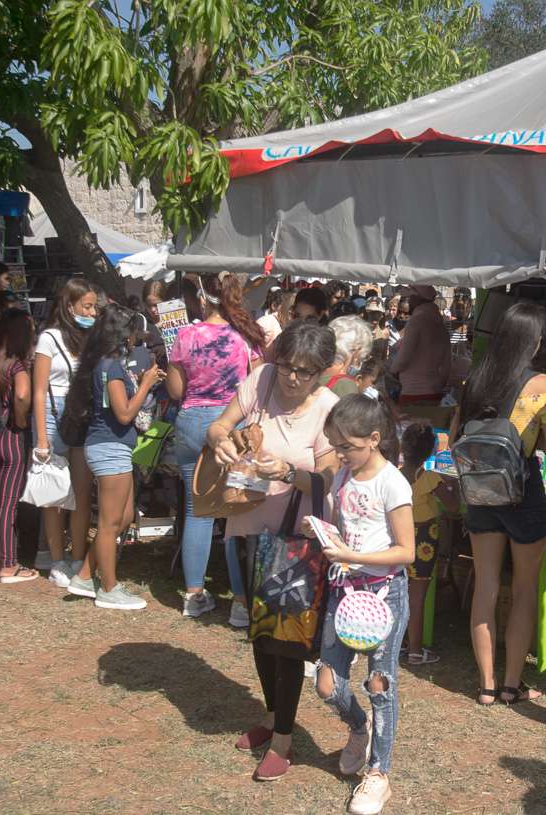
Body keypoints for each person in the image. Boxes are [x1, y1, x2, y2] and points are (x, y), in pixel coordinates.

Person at [208, 319, 340, 778]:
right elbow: (218, 425)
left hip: (296, 540)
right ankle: (270, 715)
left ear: (323, 371)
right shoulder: (260, 379)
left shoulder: (328, 409)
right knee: (261, 637)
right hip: (248, 524)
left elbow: (329, 479)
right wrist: (224, 442)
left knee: (287, 644)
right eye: (286, 366)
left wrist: (286, 472)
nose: (291, 377)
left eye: (304, 371)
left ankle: (284, 738)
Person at [452, 302, 546, 706]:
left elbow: (455, 434)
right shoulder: (542, 385)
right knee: (525, 587)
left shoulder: (475, 381)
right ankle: (512, 684)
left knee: (486, 586)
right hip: (523, 490)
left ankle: (485, 684)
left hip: (480, 491)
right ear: (533, 343)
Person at [315, 394, 415, 815]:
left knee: (380, 684)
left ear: (374, 439)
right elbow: (345, 528)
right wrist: (327, 534)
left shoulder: (393, 483)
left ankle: (379, 775)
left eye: (347, 446)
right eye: (336, 446)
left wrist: (354, 558)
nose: (340, 454)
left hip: (383, 594)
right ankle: (358, 727)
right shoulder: (342, 476)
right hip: (344, 591)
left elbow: (406, 551)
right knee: (326, 682)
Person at [165, 272, 265, 620]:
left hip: (192, 422)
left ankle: (194, 594)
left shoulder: (186, 335)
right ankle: (240, 602)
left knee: (198, 511)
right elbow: (258, 387)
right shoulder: (246, 336)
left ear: (203, 298)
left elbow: (176, 392)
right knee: (235, 511)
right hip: (232, 422)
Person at [61, 306, 164, 610]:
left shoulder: (105, 363)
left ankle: (83, 576)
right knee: (109, 523)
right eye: (133, 331)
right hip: (109, 446)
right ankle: (109, 588)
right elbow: (123, 413)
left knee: (125, 517)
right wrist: (146, 383)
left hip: (114, 446)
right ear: (122, 334)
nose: (136, 338)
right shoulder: (111, 367)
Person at [32, 278, 98, 587]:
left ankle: (77, 557)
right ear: (69, 306)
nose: (92, 311)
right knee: (54, 494)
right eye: (86, 306)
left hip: (82, 414)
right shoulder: (48, 338)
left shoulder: (90, 338)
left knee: (83, 492)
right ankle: (56, 560)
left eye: (94, 306)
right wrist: (42, 439)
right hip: (53, 414)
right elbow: (39, 389)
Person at [0, 309, 37, 584]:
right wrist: (21, 421)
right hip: (10, 437)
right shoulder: (17, 365)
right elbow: (23, 395)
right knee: (8, 504)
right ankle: (9, 564)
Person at [399, 421, 457, 666]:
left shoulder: (396, 473)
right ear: (431, 449)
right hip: (423, 539)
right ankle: (415, 649)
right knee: (417, 595)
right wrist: (451, 484)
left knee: (399, 592)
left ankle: (400, 643)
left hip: (399, 536)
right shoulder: (430, 476)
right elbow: (453, 506)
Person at [389, 284, 451, 406]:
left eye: (411, 297)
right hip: (435, 393)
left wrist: (392, 370)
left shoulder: (416, 321)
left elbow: (404, 357)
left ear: (419, 299)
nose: (410, 300)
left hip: (413, 393)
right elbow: (447, 364)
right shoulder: (441, 325)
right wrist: (438, 384)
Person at [322, 316, 372, 398]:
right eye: (362, 357)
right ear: (356, 350)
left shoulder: (314, 369)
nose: (360, 360)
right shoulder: (346, 386)